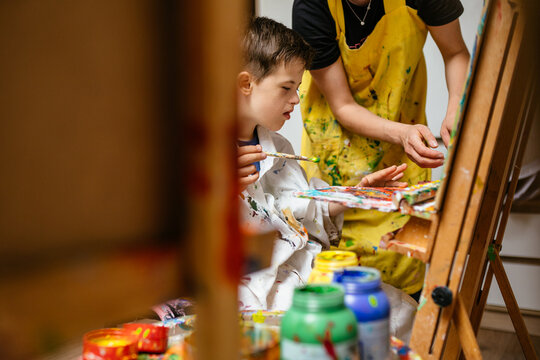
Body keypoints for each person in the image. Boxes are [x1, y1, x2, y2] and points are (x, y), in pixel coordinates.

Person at [236, 18, 418, 339]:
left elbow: (301, 209)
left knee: (400, 309)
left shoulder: (277, 147)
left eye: (298, 87)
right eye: (286, 88)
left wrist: (353, 195)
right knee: (342, 327)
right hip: (249, 283)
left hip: (301, 268)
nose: (296, 99)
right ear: (246, 83)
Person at [292, 0, 470, 298]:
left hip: (404, 150)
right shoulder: (312, 7)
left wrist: (455, 106)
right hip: (337, 154)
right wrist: (401, 134)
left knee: (400, 259)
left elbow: (455, 52)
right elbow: (343, 105)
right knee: (338, 275)